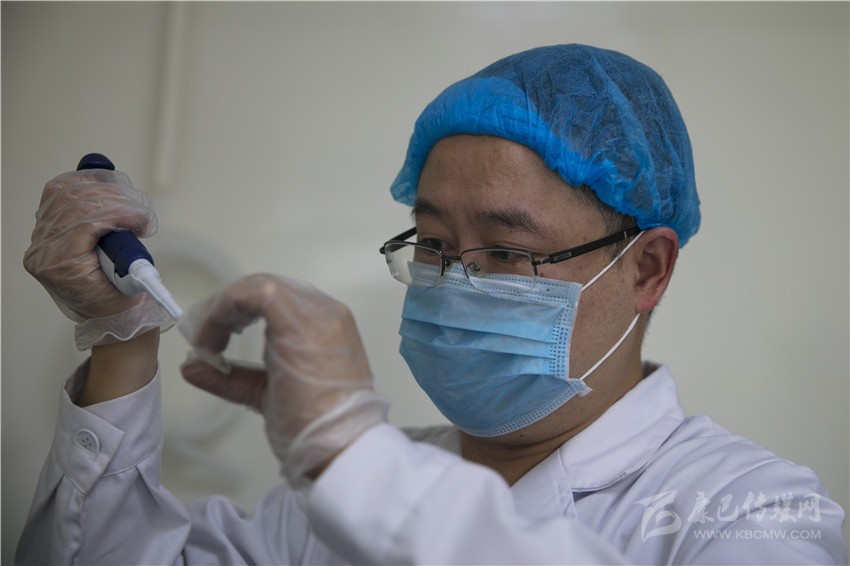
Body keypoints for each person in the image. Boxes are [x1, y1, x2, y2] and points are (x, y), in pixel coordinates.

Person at [17, 44, 847, 565]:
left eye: (508, 252)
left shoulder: (753, 512)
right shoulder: (322, 510)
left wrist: (352, 456)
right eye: (436, 246)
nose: (454, 283)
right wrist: (121, 332)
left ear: (647, 270)